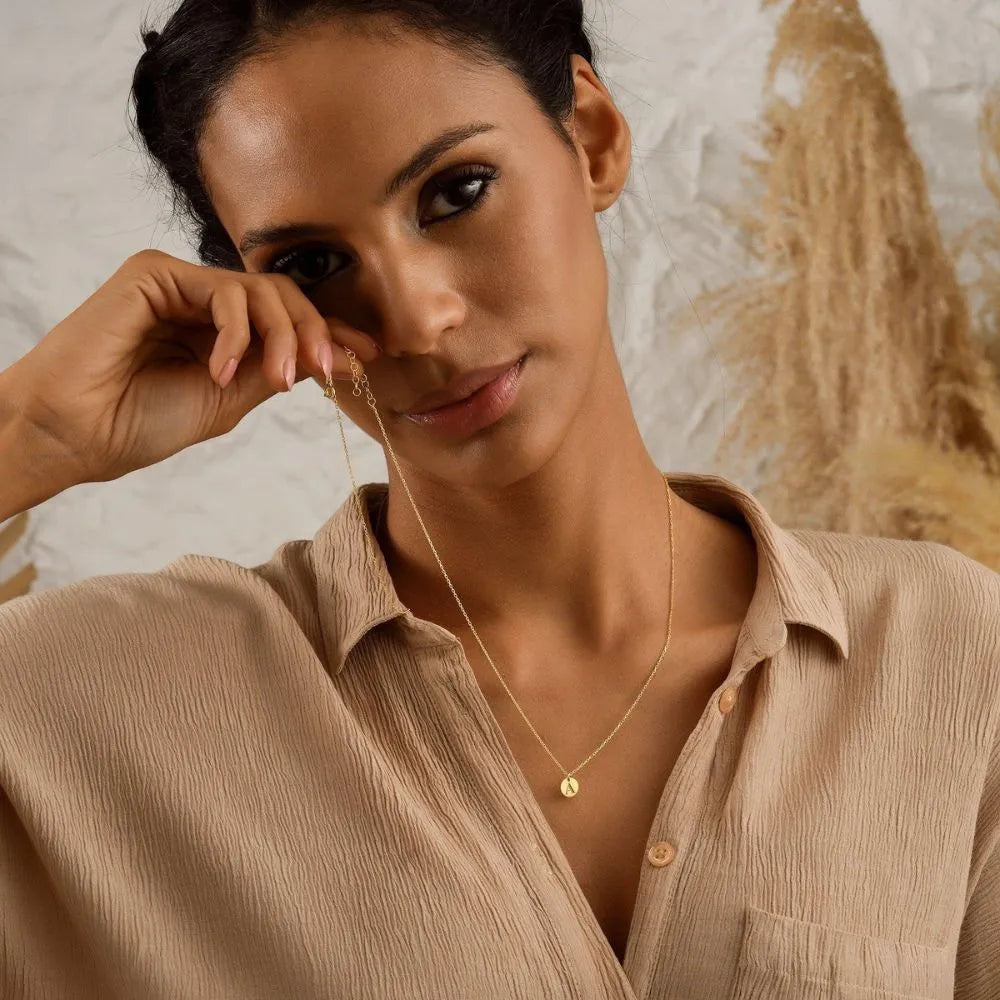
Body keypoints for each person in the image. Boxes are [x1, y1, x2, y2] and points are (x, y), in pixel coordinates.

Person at [0, 1, 997, 997]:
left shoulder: (948, 652)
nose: (417, 318)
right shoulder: (97, 706)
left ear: (593, 142)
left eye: (456, 191)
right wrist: (26, 438)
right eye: (312, 263)